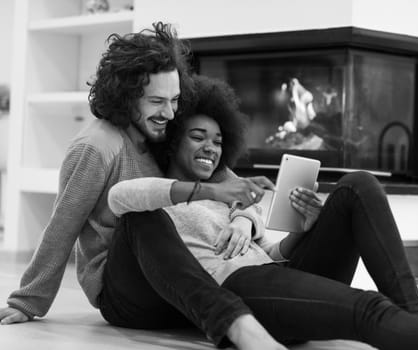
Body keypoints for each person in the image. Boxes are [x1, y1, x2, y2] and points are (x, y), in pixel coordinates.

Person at [107, 75, 418, 350]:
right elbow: (121, 199)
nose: (211, 147)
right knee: (365, 310)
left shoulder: (230, 197)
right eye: (198, 136)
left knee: (358, 185)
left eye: (218, 140)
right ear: (172, 142)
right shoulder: (160, 197)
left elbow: (273, 255)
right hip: (238, 289)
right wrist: (213, 191)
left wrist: (306, 228)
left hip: (272, 275)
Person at [0, 22, 281, 350]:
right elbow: (62, 226)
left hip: (174, 277)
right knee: (139, 214)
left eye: (175, 100)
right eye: (157, 101)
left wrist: (244, 219)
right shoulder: (97, 147)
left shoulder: (161, 133)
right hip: (123, 287)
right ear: (126, 96)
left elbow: (233, 187)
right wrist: (28, 301)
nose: (171, 112)